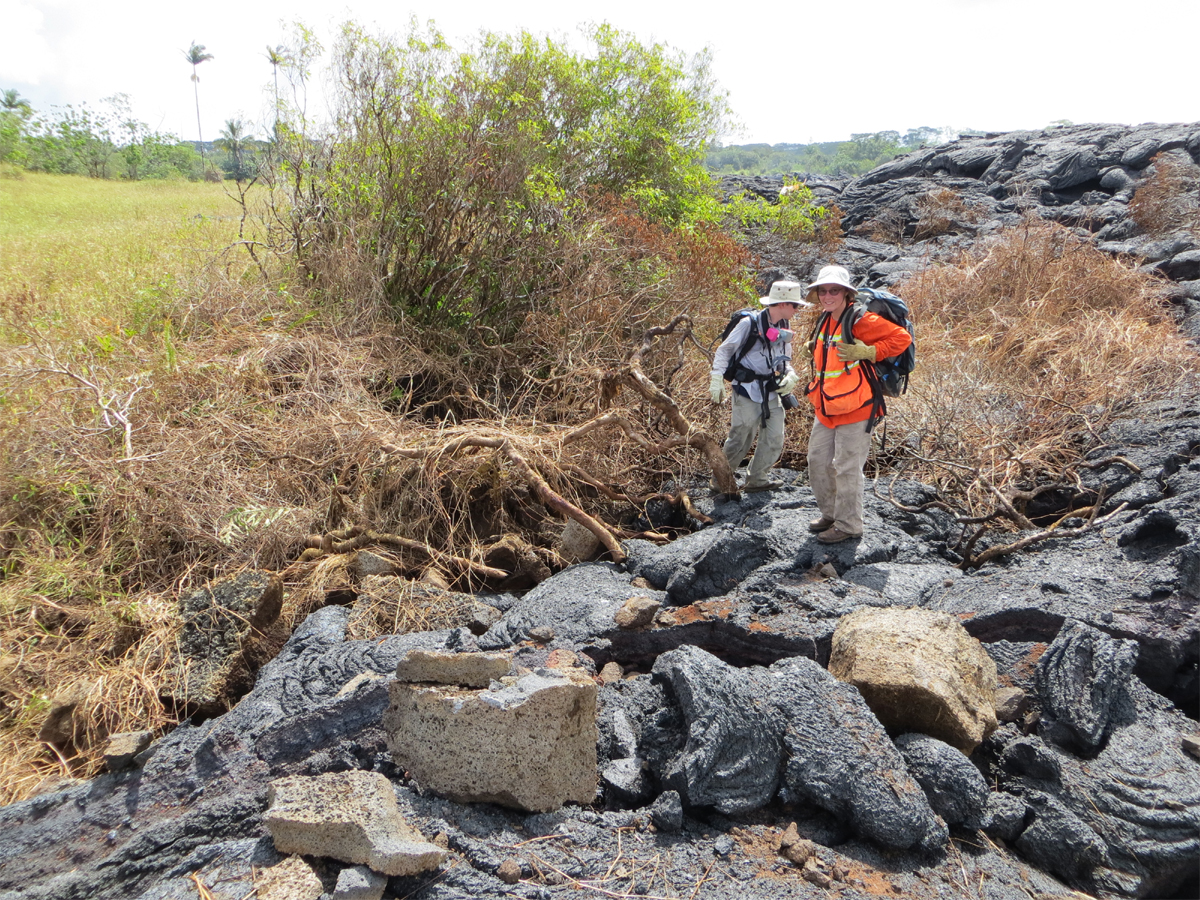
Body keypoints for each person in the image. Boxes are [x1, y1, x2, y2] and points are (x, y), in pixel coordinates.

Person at [803, 265, 912, 543]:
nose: (828, 295)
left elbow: (902, 338)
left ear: (846, 293)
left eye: (834, 290)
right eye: (823, 291)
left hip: (857, 407)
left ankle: (849, 525)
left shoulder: (860, 320)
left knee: (848, 467)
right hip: (827, 407)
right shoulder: (825, 319)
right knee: (817, 462)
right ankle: (831, 514)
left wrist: (871, 351)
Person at [709, 281, 809, 493]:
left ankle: (757, 479)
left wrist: (790, 373)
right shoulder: (748, 324)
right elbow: (724, 351)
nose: (797, 310)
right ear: (783, 304)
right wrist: (716, 378)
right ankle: (720, 481)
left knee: (775, 436)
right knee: (741, 437)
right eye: (795, 306)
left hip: (772, 389)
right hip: (746, 388)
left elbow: (785, 359)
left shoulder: (785, 325)